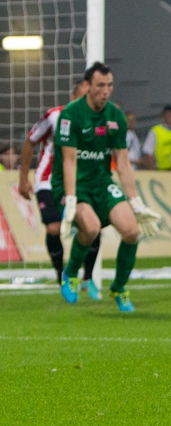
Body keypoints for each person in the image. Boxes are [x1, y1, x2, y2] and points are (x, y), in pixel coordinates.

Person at [52, 62, 162, 312]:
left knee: (132, 232)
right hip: (74, 184)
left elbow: (122, 163)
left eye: (109, 85)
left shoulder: (116, 117)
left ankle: (119, 288)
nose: (105, 91)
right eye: (100, 85)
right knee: (90, 228)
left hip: (101, 183)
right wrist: (70, 198)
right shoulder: (71, 114)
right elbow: (69, 160)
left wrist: (135, 201)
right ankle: (71, 273)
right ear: (87, 86)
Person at [18, 81, 102, 293]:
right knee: (53, 228)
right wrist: (23, 178)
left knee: (94, 226)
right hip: (48, 179)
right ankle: (61, 276)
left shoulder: (97, 121)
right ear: (73, 97)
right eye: (83, 97)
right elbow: (30, 141)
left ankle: (87, 278)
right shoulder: (54, 116)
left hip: (79, 182)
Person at [141, 105, 171, 170]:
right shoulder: (155, 131)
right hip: (161, 169)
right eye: (167, 115)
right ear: (163, 116)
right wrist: (152, 170)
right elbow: (148, 152)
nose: (169, 117)